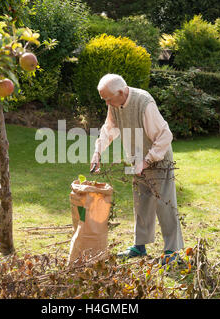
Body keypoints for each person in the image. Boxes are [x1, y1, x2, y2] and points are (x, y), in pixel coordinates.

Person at [90, 74, 184, 265]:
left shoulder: (144, 103)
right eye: (104, 99)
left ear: (121, 92)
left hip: (158, 158)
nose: (107, 103)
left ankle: (171, 251)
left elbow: (165, 136)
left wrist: (147, 161)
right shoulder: (114, 104)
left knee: (165, 204)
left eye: (108, 98)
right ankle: (139, 247)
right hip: (137, 159)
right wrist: (97, 152)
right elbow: (109, 129)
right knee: (141, 203)